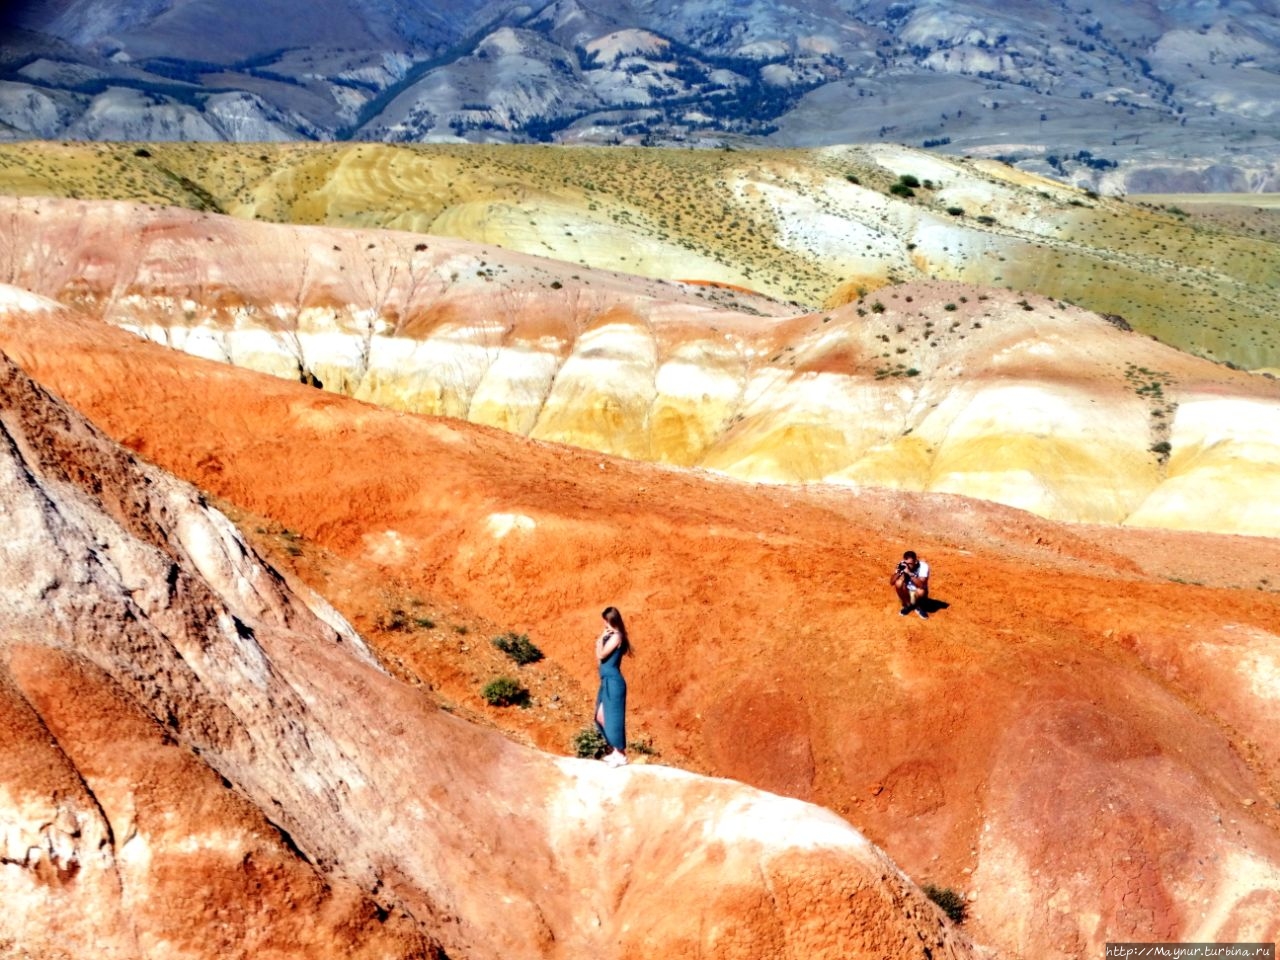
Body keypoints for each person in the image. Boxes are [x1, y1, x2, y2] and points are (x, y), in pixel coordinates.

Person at [594, 606, 631, 767]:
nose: (604, 624)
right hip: (606, 681)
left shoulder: (617, 636)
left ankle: (621, 755)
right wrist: (600, 639)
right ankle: (615, 751)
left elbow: (602, 654)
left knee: (614, 718)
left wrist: (601, 639)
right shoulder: (609, 636)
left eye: (606, 621)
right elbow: (599, 658)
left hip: (614, 682)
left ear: (612, 620)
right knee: (600, 716)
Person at [890, 550, 931, 619]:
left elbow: (921, 585)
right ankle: (908, 605)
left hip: (918, 592)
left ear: (915, 561)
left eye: (910, 563)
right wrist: (899, 572)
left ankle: (919, 607)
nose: (908, 565)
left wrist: (909, 573)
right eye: (907, 563)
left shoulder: (923, 567)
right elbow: (892, 582)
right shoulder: (903, 565)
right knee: (898, 583)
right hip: (907, 592)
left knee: (921, 591)